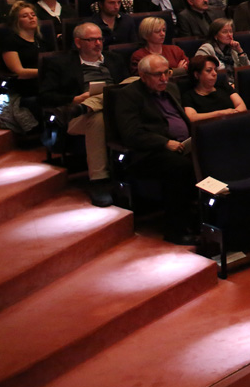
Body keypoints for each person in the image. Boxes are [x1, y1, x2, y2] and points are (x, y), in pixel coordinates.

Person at [39, 22, 128, 206]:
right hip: (77, 117)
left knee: (137, 79)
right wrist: (76, 100)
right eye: (92, 40)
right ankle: (99, 181)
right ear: (78, 42)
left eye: (100, 39)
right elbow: (46, 96)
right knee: (97, 119)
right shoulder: (60, 63)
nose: (98, 43)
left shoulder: (115, 59)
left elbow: (126, 87)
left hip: (116, 110)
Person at [118, 55, 199, 244]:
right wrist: (164, 142)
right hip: (149, 153)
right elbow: (131, 134)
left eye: (167, 73)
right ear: (143, 75)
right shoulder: (129, 95)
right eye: (158, 75)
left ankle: (204, 219)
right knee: (179, 166)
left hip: (182, 144)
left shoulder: (171, 88)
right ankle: (176, 230)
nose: (164, 78)